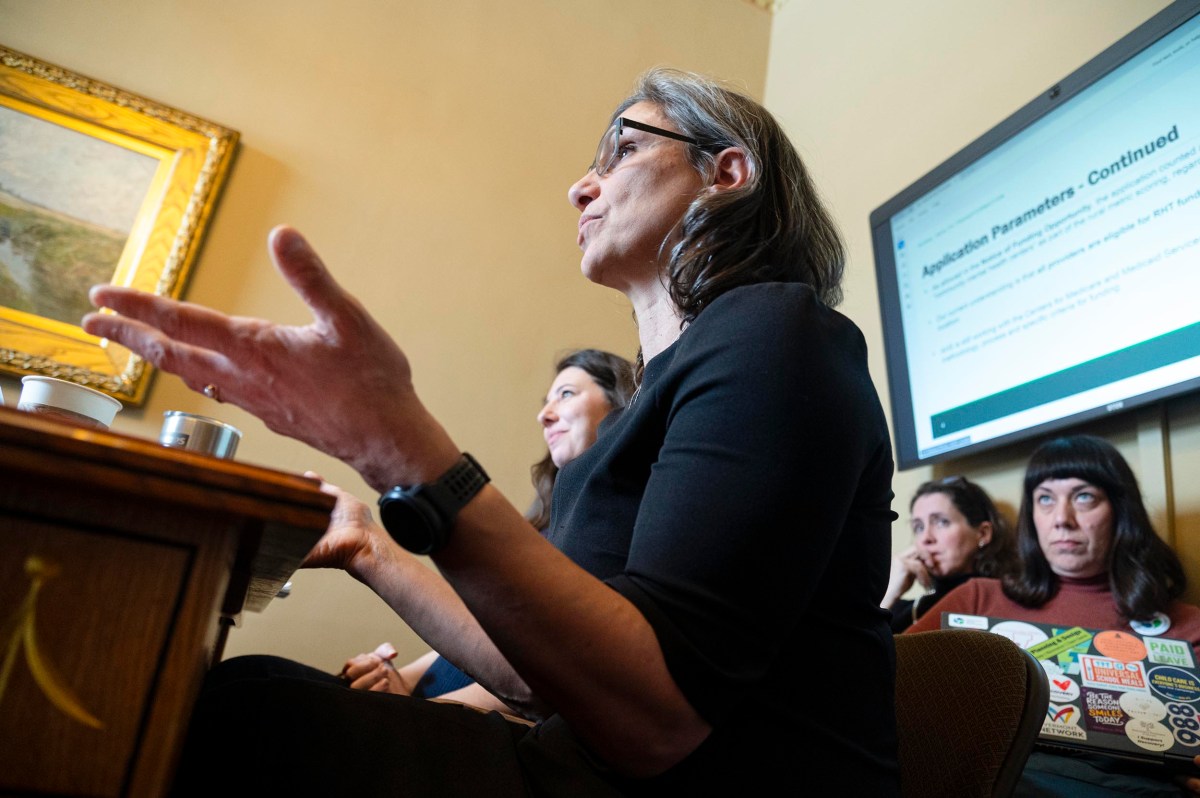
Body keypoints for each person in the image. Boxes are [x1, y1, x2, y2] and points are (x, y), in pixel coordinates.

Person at [82, 66, 900, 795]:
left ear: (726, 173)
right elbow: (538, 675)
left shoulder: (774, 329)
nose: (580, 187)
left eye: (622, 149)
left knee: (247, 722)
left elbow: (655, 717)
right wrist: (369, 542)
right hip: (582, 762)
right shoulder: (652, 404)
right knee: (250, 687)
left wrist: (396, 442)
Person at [907, 434, 1200, 796]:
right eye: (1045, 499)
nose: (1062, 519)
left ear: (1120, 510)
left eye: (1084, 497)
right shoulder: (976, 598)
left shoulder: (1188, 628)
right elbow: (885, 688)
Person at [341, 348, 635, 707]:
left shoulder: (623, 526)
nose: (544, 415)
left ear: (619, 403)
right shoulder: (543, 525)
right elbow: (480, 624)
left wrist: (415, 712)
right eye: (546, 401)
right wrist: (399, 678)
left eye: (566, 394)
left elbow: (551, 674)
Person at [882, 475, 1013, 633]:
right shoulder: (900, 612)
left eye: (941, 522)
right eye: (919, 527)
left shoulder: (1008, 604)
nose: (926, 538)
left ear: (983, 533)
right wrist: (888, 594)